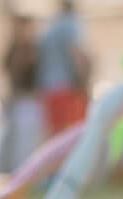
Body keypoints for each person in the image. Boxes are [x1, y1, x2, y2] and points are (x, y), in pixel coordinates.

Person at [35, 0, 91, 136]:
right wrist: (84, 82)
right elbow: (77, 54)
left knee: (54, 133)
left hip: (48, 88)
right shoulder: (71, 24)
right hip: (66, 88)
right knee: (71, 134)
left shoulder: (51, 26)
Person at [0, 13, 41, 172]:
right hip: (14, 100)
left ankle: (24, 173)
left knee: (26, 142)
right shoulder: (14, 48)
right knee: (11, 141)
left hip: (29, 100)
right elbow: (6, 69)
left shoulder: (36, 49)